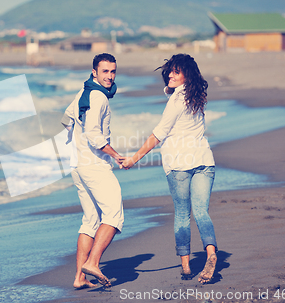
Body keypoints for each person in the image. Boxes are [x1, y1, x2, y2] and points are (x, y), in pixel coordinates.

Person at [122, 53, 217, 284]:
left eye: (177, 71)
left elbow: (158, 134)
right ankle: (211, 253)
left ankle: (186, 267)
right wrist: (170, 89)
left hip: (179, 164)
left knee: (183, 214)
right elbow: (177, 97)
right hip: (205, 161)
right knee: (202, 211)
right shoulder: (197, 95)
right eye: (170, 72)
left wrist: (134, 159)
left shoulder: (175, 100)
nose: (171, 75)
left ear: (187, 74)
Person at [61, 53, 125, 288]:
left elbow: (67, 120)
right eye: (105, 71)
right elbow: (93, 134)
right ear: (94, 72)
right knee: (114, 214)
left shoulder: (83, 92)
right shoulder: (98, 96)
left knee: (90, 220)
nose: (109, 76)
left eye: (113, 71)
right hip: (94, 165)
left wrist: (73, 145)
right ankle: (93, 263)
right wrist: (114, 154)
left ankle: (79, 277)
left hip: (77, 164)